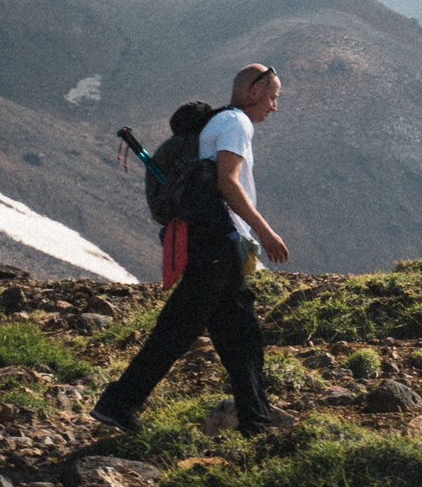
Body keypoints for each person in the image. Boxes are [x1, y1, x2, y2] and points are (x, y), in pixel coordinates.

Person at [93, 64, 296, 436]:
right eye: (272, 96)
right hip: (215, 240)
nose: (274, 106)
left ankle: (256, 422)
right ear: (252, 93)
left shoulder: (218, 123)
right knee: (178, 328)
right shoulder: (236, 124)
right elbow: (227, 182)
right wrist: (265, 232)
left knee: (242, 335)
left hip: (212, 241)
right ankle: (119, 402)